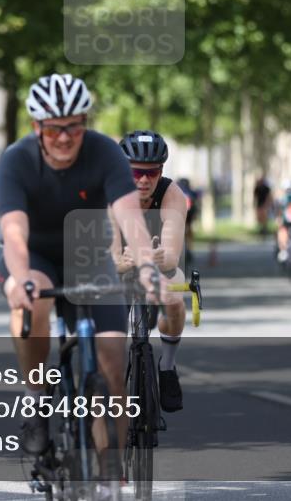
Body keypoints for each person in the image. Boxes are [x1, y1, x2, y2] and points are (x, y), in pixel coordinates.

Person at [0, 73, 161, 458]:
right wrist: (20, 280)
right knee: (31, 301)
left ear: (85, 122)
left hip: (86, 256)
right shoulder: (16, 161)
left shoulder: (105, 153)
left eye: (73, 127)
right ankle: (36, 399)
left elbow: (130, 217)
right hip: (31, 256)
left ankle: (109, 477)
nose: (65, 138)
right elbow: (14, 232)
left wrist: (148, 267)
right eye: (53, 130)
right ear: (36, 127)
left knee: (113, 363)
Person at [112, 130, 189, 412]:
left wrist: (157, 256)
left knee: (175, 298)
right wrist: (123, 262)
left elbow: (171, 254)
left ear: (161, 171)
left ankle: (167, 367)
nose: (144, 180)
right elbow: (109, 256)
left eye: (152, 172)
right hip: (120, 267)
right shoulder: (110, 195)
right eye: (136, 172)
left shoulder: (172, 194)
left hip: (158, 266)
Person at [176, 177, 198, 263]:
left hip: (181, 215)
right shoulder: (190, 192)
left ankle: (183, 249)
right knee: (188, 231)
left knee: (182, 231)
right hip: (188, 215)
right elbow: (196, 198)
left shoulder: (176, 191)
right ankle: (189, 248)